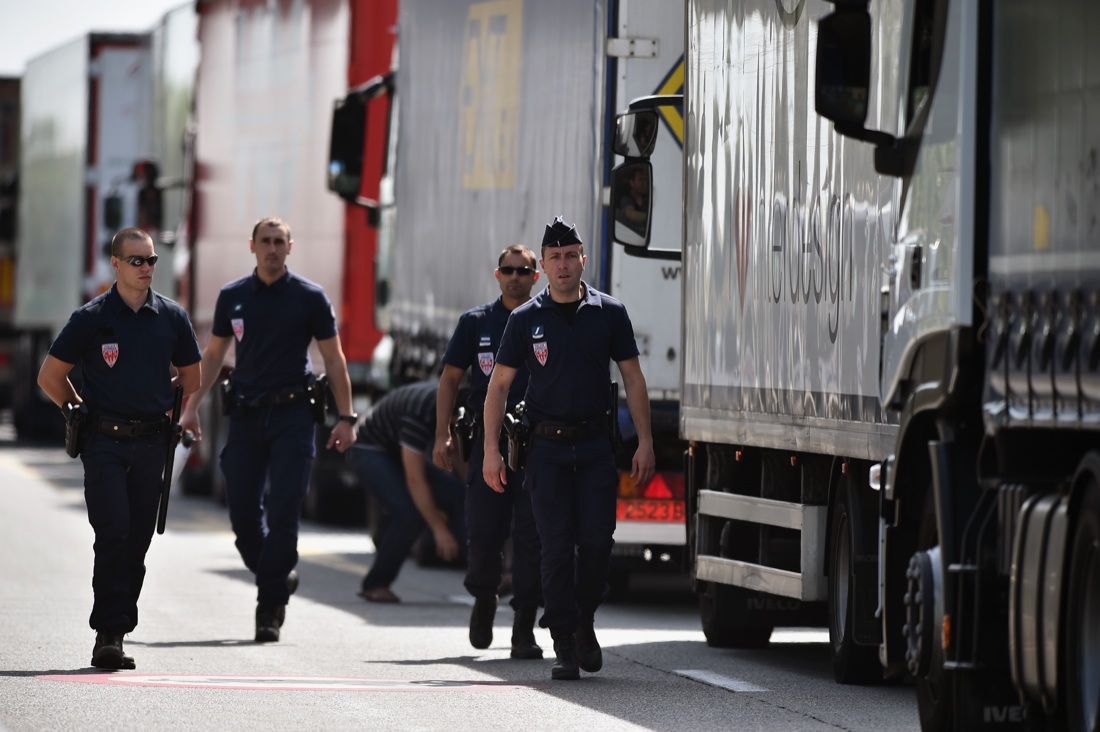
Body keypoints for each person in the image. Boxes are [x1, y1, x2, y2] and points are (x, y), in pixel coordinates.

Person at [483, 216, 655, 680]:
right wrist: (490, 451)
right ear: (544, 264)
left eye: (570, 256)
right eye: (554, 258)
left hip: (596, 446)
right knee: (555, 546)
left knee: (598, 543)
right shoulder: (525, 320)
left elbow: (633, 378)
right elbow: (498, 386)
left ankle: (584, 620)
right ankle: (563, 640)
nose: (562, 265)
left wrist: (645, 442)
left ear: (583, 259)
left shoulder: (610, 313)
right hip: (546, 450)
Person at [179, 216, 358, 643]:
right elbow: (215, 354)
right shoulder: (234, 296)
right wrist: (191, 409)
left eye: (280, 242)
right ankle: (276, 574)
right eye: (266, 241)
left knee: (284, 511)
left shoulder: (310, 298)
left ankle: (269, 607)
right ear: (252, 246)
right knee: (243, 515)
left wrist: (347, 417)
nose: (273, 248)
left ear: (290, 248)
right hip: (245, 416)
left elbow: (333, 360)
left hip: (293, 417)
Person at [37, 227, 202, 669]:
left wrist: (162, 393)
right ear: (115, 264)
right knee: (112, 533)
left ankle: (119, 625)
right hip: (103, 442)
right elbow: (50, 377)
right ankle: (109, 634)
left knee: (137, 542)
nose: (147, 267)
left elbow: (192, 377)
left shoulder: (171, 317)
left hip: (152, 441)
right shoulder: (91, 317)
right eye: (137, 261)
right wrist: (76, 409)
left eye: (151, 260)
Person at [433, 245, 544, 659]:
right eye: (508, 270)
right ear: (496, 275)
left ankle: (523, 626)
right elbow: (449, 381)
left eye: (523, 270)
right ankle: (484, 598)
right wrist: (442, 435)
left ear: (537, 276)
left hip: (536, 445)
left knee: (531, 536)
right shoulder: (475, 322)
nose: (515, 276)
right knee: (483, 530)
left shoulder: (546, 320)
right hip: (488, 443)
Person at [350, 380, 467, 603]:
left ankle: (481, 573)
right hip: (368, 449)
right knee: (409, 516)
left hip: (395, 448)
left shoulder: (453, 404)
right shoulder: (420, 414)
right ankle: (376, 584)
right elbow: (415, 480)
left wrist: (475, 487)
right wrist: (439, 528)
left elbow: (460, 459)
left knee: (460, 496)